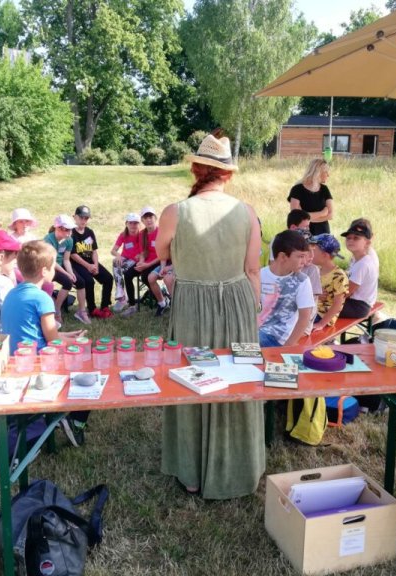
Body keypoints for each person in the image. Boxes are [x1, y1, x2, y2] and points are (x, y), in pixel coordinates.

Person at [156, 133, 265, 499]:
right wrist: (254, 307)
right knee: (239, 377)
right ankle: (238, 469)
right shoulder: (246, 211)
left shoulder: (175, 211)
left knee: (192, 376)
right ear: (227, 174)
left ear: (196, 170)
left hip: (192, 302)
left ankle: (191, 473)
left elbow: (162, 254)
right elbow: (253, 269)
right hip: (237, 300)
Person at [1, 240, 89, 446]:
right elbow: (53, 340)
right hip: (38, 361)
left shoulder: (12, 293)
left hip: (16, 359)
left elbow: (39, 333)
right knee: (87, 368)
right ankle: (74, 421)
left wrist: (68, 336)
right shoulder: (42, 298)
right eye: (53, 267)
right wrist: (74, 343)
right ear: (44, 271)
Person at [258, 230, 315, 347]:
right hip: (255, 331)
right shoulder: (259, 275)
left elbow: (304, 318)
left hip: (278, 339)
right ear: (283, 256)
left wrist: (288, 347)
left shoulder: (302, 281)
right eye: (300, 256)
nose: (304, 262)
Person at [44, 214, 91, 326]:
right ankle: (57, 311)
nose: (70, 233)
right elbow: (52, 262)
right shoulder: (48, 240)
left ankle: (81, 311)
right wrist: (67, 274)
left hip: (61, 265)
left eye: (71, 230)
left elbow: (66, 260)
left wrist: (70, 273)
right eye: (67, 230)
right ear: (58, 228)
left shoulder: (69, 240)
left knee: (80, 282)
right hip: (49, 267)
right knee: (67, 282)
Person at [70, 205, 114, 319]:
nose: (84, 220)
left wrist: (95, 265)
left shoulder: (89, 232)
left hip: (90, 261)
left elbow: (94, 251)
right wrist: (88, 266)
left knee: (108, 278)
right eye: (81, 217)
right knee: (89, 281)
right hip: (77, 263)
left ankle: (105, 306)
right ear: (75, 217)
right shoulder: (71, 233)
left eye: (86, 218)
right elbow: (73, 254)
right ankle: (92, 309)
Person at [129, 207, 168, 317]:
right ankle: (131, 305)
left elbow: (163, 255)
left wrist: (147, 265)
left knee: (145, 276)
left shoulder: (161, 232)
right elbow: (143, 252)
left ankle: (161, 300)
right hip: (147, 261)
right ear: (142, 220)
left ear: (155, 218)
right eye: (145, 218)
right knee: (128, 274)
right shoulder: (142, 234)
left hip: (160, 260)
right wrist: (141, 262)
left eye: (150, 217)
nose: (148, 220)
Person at [308, 234, 348, 332]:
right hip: (312, 310)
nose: (310, 253)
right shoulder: (316, 269)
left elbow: (337, 304)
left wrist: (321, 324)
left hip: (322, 316)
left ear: (325, 255)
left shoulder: (339, 276)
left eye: (314, 250)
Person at [340, 218, 379, 319]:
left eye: (356, 238)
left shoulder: (363, 264)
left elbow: (347, 292)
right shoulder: (358, 258)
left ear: (367, 243)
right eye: (348, 238)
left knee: (317, 305)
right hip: (356, 303)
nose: (351, 240)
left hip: (358, 306)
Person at [287, 159, 333, 236]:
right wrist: (322, 213)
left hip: (323, 233)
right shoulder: (297, 189)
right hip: (303, 234)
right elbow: (296, 216)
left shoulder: (325, 189)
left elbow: (330, 215)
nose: (328, 175)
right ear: (318, 172)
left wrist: (307, 218)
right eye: (326, 172)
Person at [110, 213, 141, 312]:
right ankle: (120, 290)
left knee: (120, 269)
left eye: (135, 223)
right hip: (125, 258)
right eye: (130, 223)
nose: (133, 225)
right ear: (126, 223)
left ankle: (122, 298)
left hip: (135, 260)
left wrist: (141, 255)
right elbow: (113, 250)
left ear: (139, 224)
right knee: (115, 261)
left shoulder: (141, 235)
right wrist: (118, 255)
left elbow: (146, 249)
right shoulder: (123, 235)